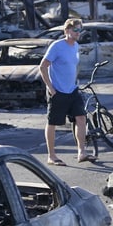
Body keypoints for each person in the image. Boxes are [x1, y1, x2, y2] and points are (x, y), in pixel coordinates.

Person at [39, 18, 97, 166]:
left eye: (79, 30)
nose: (78, 33)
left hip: (72, 90)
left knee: (81, 118)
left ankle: (81, 152)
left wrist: (76, 81)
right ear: (67, 31)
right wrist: (51, 88)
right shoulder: (57, 46)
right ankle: (51, 156)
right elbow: (43, 67)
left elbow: (74, 66)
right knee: (53, 123)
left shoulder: (76, 46)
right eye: (75, 30)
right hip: (58, 91)